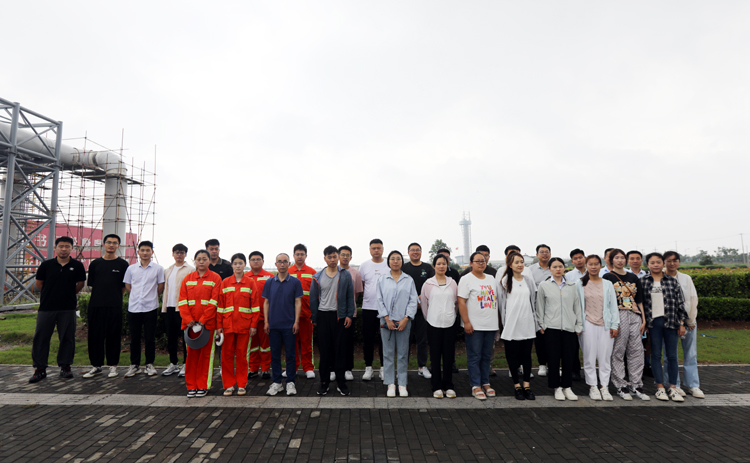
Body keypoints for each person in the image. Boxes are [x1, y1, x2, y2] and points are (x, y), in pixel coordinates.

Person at [29, 237, 86, 383]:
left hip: (68, 308)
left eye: (67, 246)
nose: (64, 249)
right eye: (61, 246)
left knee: (67, 338)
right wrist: (52, 293)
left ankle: (65, 367)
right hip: (46, 308)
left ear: (71, 248)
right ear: (56, 248)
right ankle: (40, 369)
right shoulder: (46, 265)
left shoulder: (77, 265)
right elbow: (39, 284)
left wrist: (67, 293)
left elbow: (80, 284)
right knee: (41, 338)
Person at [641, 252, 689, 402]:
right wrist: (644, 323)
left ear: (663, 264)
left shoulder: (672, 281)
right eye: (652, 262)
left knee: (672, 356)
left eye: (658, 262)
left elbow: (680, 303)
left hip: (671, 322)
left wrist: (682, 323)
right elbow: (640, 304)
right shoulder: (643, 281)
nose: (655, 265)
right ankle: (660, 387)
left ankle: (673, 388)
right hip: (653, 324)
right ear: (647, 264)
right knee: (655, 355)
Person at [603, 249, 650, 401]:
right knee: (618, 350)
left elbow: (639, 300)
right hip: (618, 314)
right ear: (611, 260)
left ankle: (636, 384)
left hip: (635, 315)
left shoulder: (633, 277)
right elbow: (606, 301)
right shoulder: (607, 277)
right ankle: (620, 385)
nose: (620, 260)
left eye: (622, 257)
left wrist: (643, 319)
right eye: (616, 258)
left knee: (637, 350)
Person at [310, 246, 355, 396]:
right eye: (329, 257)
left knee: (340, 351)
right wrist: (315, 317)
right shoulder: (317, 276)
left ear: (338, 257)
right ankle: (324, 383)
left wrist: (349, 315)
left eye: (335, 256)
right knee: (325, 351)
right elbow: (313, 299)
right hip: (323, 316)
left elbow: (350, 296)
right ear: (325, 259)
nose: (333, 259)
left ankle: (341, 383)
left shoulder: (345, 275)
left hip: (339, 317)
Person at [536, 257, 582, 401]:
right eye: (554, 267)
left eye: (560, 266)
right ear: (550, 269)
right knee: (553, 359)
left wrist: (578, 325)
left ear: (564, 268)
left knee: (568, 359)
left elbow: (577, 307)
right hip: (551, 328)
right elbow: (540, 306)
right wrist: (541, 324)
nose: (558, 269)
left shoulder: (572, 286)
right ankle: (556, 387)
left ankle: (567, 387)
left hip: (569, 328)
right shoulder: (544, 285)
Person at [83, 234, 128, 379]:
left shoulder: (123, 264)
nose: (111, 245)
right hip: (96, 305)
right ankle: (96, 366)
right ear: (103, 244)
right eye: (109, 242)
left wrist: (114, 298)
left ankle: (113, 366)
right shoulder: (95, 264)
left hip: (114, 306)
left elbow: (123, 286)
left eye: (115, 243)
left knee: (113, 336)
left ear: (118, 246)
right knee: (95, 336)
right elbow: (92, 284)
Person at [178, 249, 222, 398]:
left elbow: (214, 301)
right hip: (190, 325)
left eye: (204, 259)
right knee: (191, 357)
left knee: (206, 357)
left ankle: (203, 385)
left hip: (207, 325)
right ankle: (191, 386)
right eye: (199, 259)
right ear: (195, 261)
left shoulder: (216, 278)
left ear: (209, 261)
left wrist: (202, 321)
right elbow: (182, 301)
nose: (201, 261)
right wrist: (188, 319)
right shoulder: (188, 278)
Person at [575, 255, 619, 401]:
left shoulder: (607, 284)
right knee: (589, 356)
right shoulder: (579, 283)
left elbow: (613, 306)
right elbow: (577, 306)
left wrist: (614, 325)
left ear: (600, 266)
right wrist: (578, 325)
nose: (593, 267)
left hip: (605, 324)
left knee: (605, 357)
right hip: (587, 323)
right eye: (590, 264)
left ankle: (604, 386)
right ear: (586, 266)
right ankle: (592, 386)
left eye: (596, 264)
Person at [457, 251, 499, 400]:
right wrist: (466, 322)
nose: (481, 263)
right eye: (478, 261)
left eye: (483, 261)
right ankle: (476, 385)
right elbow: (461, 301)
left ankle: (486, 382)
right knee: (474, 356)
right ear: (471, 263)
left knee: (486, 356)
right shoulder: (466, 279)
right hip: (474, 325)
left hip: (490, 324)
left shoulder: (491, 278)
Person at [497, 251, 538, 401]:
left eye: (522, 262)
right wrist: (503, 324)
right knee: (512, 357)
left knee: (526, 356)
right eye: (516, 262)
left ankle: (526, 385)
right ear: (509, 264)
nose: (520, 264)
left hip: (527, 324)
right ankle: (517, 386)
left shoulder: (528, 280)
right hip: (511, 325)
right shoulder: (504, 281)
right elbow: (502, 305)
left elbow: (533, 301)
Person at [218, 253, 260, 396]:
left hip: (244, 325)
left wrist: (253, 325)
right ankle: (229, 385)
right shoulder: (225, 283)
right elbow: (220, 306)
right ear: (232, 265)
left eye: (240, 263)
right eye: (235, 263)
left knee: (242, 356)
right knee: (226, 357)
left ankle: (242, 384)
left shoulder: (250, 283)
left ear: (244, 265)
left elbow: (255, 306)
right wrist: (219, 326)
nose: (238, 266)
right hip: (227, 325)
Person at [662, 251, 704, 398]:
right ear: (664, 262)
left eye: (675, 260)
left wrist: (690, 320)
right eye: (668, 261)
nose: (672, 263)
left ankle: (693, 385)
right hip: (668, 322)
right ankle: (673, 384)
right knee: (669, 355)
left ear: (679, 262)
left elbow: (693, 299)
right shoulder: (660, 278)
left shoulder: (686, 278)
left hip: (687, 322)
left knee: (691, 354)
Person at [377, 250, 418, 397]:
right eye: (392, 259)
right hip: (386, 322)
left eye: (398, 258)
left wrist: (406, 319)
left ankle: (402, 383)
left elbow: (413, 300)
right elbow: (379, 300)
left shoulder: (408, 279)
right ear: (388, 261)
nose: (395, 261)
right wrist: (387, 319)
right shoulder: (382, 279)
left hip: (403, 322)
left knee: (402, 353)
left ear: (402, 261)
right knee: (388, 353)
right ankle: (390, 383)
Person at [123, 241, 165, 378]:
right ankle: (134, 364)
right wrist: (136, 296)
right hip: (134, 307)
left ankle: (149, 364)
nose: (145, 253)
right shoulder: (131, 269)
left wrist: (151, 297)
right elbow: (128, 285)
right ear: (138, 252)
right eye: (142, 250)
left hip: (150, 307)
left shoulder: (158, 268)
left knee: (150, 338)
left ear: (152, 252)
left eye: (148, 250)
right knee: (134, 338)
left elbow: (160, 286)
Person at [263, 253, 303, 396]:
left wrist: (296, 321)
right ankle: (277, 383)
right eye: (279, 261)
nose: (282, 264)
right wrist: (266, 321)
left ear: (289, 263)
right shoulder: (269, 282)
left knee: (290, 355)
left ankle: (290, 382)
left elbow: (298, 302)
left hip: (289, 325)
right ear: (275, 264)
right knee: (275, 355)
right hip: (273, 325)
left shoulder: (295, 282)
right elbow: (266, 302)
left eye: (285, 261)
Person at [421, 254, 458, 399]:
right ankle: (436, 386)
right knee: (435, 356)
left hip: (449, 324)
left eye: (444, 263)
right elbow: (424, 305)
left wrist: (451, 316)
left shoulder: (452, 283)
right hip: (433, 324)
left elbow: (456, 303)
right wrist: (430, 317)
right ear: (434, 266)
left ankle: (448, 385)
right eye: (439, 264)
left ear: (447, 266)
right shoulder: (428, 284)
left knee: (448, 356)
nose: (441, 266)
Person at [402, 242, 435, 379]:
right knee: (405, 340)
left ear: (421, 252)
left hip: (423, 309)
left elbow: (432, 285)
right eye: (412, 250)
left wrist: (420, 299)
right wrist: (413, 301)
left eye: (418, 250)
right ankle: (403, 368)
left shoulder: (428, 268)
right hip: (405, 311)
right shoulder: (404, 268)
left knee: (422, 339)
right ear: (408, 252)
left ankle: (422, 366)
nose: (415, 252)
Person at [162, 243, 194, 377]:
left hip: (182, 309)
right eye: (177, 252)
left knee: (185, 338)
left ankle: (186, 364)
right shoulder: (168, 270)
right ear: (173, 254)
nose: (179, 255)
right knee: (171, 337)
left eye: (182, 252)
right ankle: (173, 363)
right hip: (169, 307)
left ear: (185, 254)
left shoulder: (190, 270)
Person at [359, 239, 388, 381]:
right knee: (368, 339)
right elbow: (362, 285)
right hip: (368, 308)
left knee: (385, 340)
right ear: (370, 250)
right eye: (373, 248)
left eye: (379, 248)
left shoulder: (388, 264)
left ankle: (384, 368)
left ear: (383, 249)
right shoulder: (364, 266)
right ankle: (368, 367)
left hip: (385, 309)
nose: (376, 250)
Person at [286, 244, 316, 379]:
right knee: (290, 343)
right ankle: (291, 368)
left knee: (306, 342)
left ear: (306, 256)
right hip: (289, 315)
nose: (299, 256)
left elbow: (316, 295)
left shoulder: (312, 272)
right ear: (293, 256)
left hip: (306, 314)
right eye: (297, 254)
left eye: (302, 254)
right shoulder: (287, 271)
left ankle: (308, 367)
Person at [246, 251, 274, 380]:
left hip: (265, 317)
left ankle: (266, 369)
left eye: (258, 259)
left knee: (265, 345)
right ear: (249, 262)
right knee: (252, 345)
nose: (256, 261)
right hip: (249, 318)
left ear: (263, 261)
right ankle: (253, 369)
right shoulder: (245, 277)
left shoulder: (270, 277)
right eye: (253, 259)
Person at [338, 245, 363, 382]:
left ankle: (348, 369)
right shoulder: (333, 271)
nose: (345, 257)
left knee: (348, 342)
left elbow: (357, 293)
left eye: (348, 255)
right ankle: (334, 368)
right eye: (343, 254)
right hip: (335, 312)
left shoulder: (355, 273)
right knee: (335, 342)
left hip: (349, 313)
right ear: (338, 256)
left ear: (351, 257)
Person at [627, 249, 652, 377]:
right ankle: (630, 369)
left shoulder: (648, 275)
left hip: (647, 311)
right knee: (631, 343)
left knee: (646, 342)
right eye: (632, 258)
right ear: (628, 261)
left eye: (637, 258)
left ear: (642, 260)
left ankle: (646, 367)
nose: (635, 261)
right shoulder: (624, 276)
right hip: (629, 313)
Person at [529, 244, 551, 378]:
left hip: (552, 308)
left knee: (553, 337)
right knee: (540, 337)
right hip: (537, 307)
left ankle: (553, 365)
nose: (544, 254)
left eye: (547, 252)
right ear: (537, 255)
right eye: (542, 252)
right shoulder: (530, 270)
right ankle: (542, 364)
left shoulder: (554, 267)